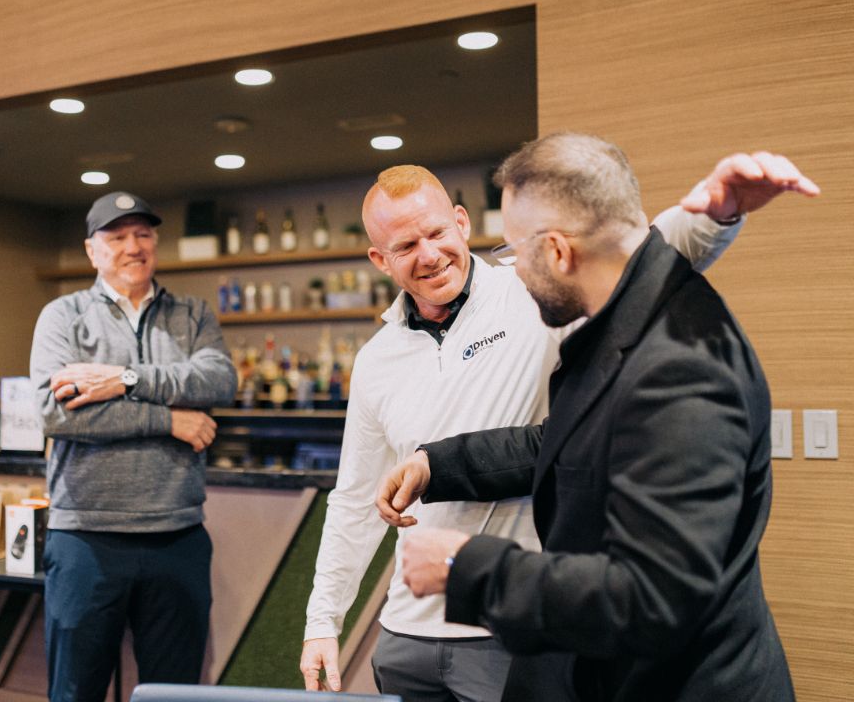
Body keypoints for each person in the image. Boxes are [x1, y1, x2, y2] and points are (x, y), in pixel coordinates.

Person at [300, 158, 763, 701]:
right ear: (380, 259)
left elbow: (631, 262)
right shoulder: (377, 358)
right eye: (405, 247)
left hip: (510, 626)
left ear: (461, 222)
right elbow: (354, 499)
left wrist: (713, 214)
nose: (428, 255)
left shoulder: (531, 291)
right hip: (406, 635)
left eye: (435, 233)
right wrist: (322, 621)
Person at [30, 191, 238, 702]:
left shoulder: (191, 314)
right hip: (86, 538)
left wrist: (124, 378)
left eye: (143, 234)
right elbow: (56, 412)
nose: (133, 246)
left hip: (178, 537)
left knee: (173, 695)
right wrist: (168, 420)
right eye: (117, 236)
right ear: (91, 250)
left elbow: (218, 379)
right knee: (76, 692)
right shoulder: (64, 316)